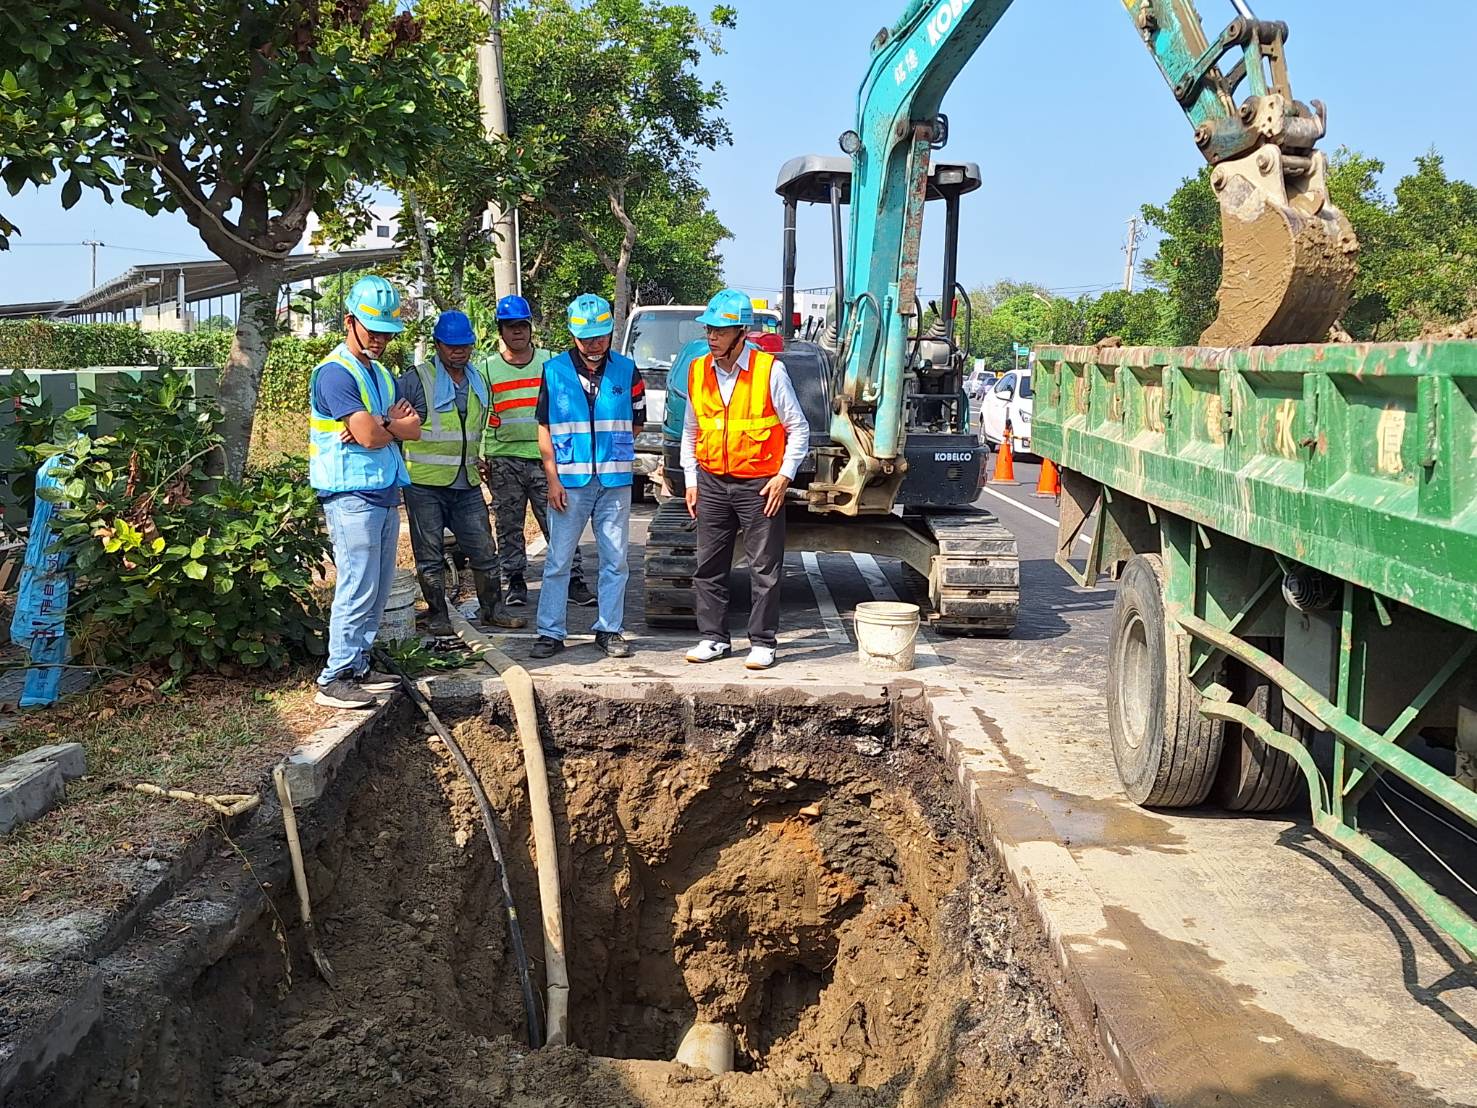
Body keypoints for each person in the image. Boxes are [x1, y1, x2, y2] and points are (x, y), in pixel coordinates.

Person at [681, 288, 810, 670]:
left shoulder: (771, 371)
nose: (712, 337)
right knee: (709, 564)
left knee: (764, 566)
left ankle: (763, 642)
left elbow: (797, 428)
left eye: (720, 331)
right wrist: (691, 479)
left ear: (742, 333)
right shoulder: (698, 370)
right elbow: (692, 429)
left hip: (759, 484)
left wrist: (784, 477)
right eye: (709, 330)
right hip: (711, 481)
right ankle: (714, 638)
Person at [309, 275, 422, 709]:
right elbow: (374, 434)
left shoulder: (382, 375)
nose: (379, 340)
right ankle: (335, 674)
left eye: (386, 333)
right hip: (351, 494)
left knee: (376, 586)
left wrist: (383, 428)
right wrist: (387, 428)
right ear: (349, 322)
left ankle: (358, 663)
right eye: (372, 330)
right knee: (356, 584)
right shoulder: (335, 374)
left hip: (383, 490)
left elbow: (401, 428)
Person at [529, 293, 645, 660]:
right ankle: (550, 632)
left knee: (616, 560)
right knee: (558, 560)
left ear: (611, 333)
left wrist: (611, 451)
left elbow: (636, 422)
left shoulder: (627, 371)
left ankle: (609, 629)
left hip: (613, 483)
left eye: (600, 338)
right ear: (573, 336)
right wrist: (552, 478)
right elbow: (544, 427)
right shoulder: (554, 371)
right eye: (586, 339)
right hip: (569, 483)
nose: (594, 346)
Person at [398, 309, 525, 636]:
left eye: (465, 345)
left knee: (483, 548)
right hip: (424, 484)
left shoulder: (478, 381)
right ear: (438, 345)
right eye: (451, 345)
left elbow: (478, 429)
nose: (459, 351)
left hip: (466, 482)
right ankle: (438, 614)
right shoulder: (416, 380)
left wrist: (480, 458)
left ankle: (492, 609)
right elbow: (393, 424)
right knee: (429, 555)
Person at [477, 294, 593, 609]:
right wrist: (483, 455)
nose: (517, 332)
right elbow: (482, 414)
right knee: (509, 524)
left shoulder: (551, 362)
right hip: (504, 460)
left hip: (548, 459)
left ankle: (574, 579)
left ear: (530, 328)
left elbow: (570, 408)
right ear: (500, 330)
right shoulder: (487, 370)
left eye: (522, 326)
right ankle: (515, 582)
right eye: (510, 327)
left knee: (560, 520)